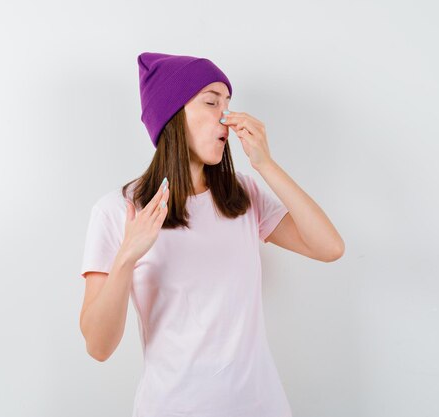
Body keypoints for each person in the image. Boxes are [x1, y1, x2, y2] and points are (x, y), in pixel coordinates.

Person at [78, 51, 345, 417]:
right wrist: (127, 256)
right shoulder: (117, 211)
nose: (226, 115)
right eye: (211, 101)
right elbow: (99, 346)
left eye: (229, 103)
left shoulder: (243, 196)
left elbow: (329, 247)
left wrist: (265, 164)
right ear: (172, 115)